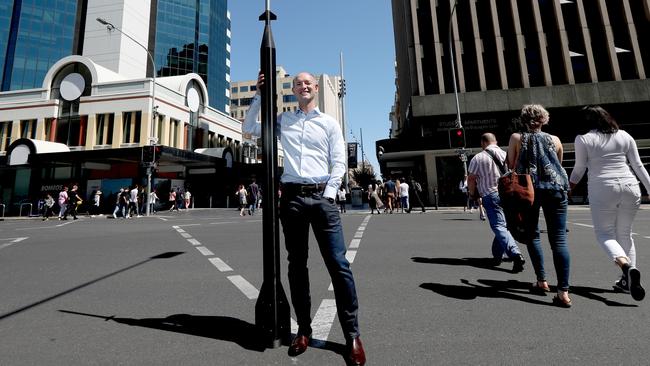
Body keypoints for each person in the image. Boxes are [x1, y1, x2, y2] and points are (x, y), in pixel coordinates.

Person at [243, 71, 365, 365]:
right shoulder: (285, 121)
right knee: (297, 266)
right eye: (298, 83)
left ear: (315, 89)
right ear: (294, 90)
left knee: (338, 265)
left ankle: (352, 335)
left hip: (323, 198)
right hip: (293, 199)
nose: (304, 86)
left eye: (308, 83)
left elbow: (339, 161)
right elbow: (249, 128)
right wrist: (260, 95)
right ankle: (304, 331)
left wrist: (331, 193)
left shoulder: (329, 123)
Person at [569, 106, 648, 301]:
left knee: (604, 234)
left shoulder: (583, 139)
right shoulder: (624, 135)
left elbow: (579, 168)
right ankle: (627, 281)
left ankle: (626, 267)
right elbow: (638, 165)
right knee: (625, 233)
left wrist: (569, 186)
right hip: (630, 186)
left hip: (603, 188)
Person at [507, 104, 572, 308]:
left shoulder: (517, 138)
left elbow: (511, 164)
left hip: (529, 190)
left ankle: (541, 280)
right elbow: (558, 165)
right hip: (556, 189)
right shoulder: (555, 139)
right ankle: (563, 292)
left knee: (533, 234)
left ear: (524, 120)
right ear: (544, 120)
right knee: (559, 238)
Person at [468, 133, 526, 272]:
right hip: (508, 194)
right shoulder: (505, 154)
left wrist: (472, 194)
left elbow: (471, 179)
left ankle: (515, 253)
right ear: (496, 141)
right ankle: (497, 255)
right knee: (504, 226)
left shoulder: (478, 158)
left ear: (483, 143)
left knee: (498, 226)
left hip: (490, 194)